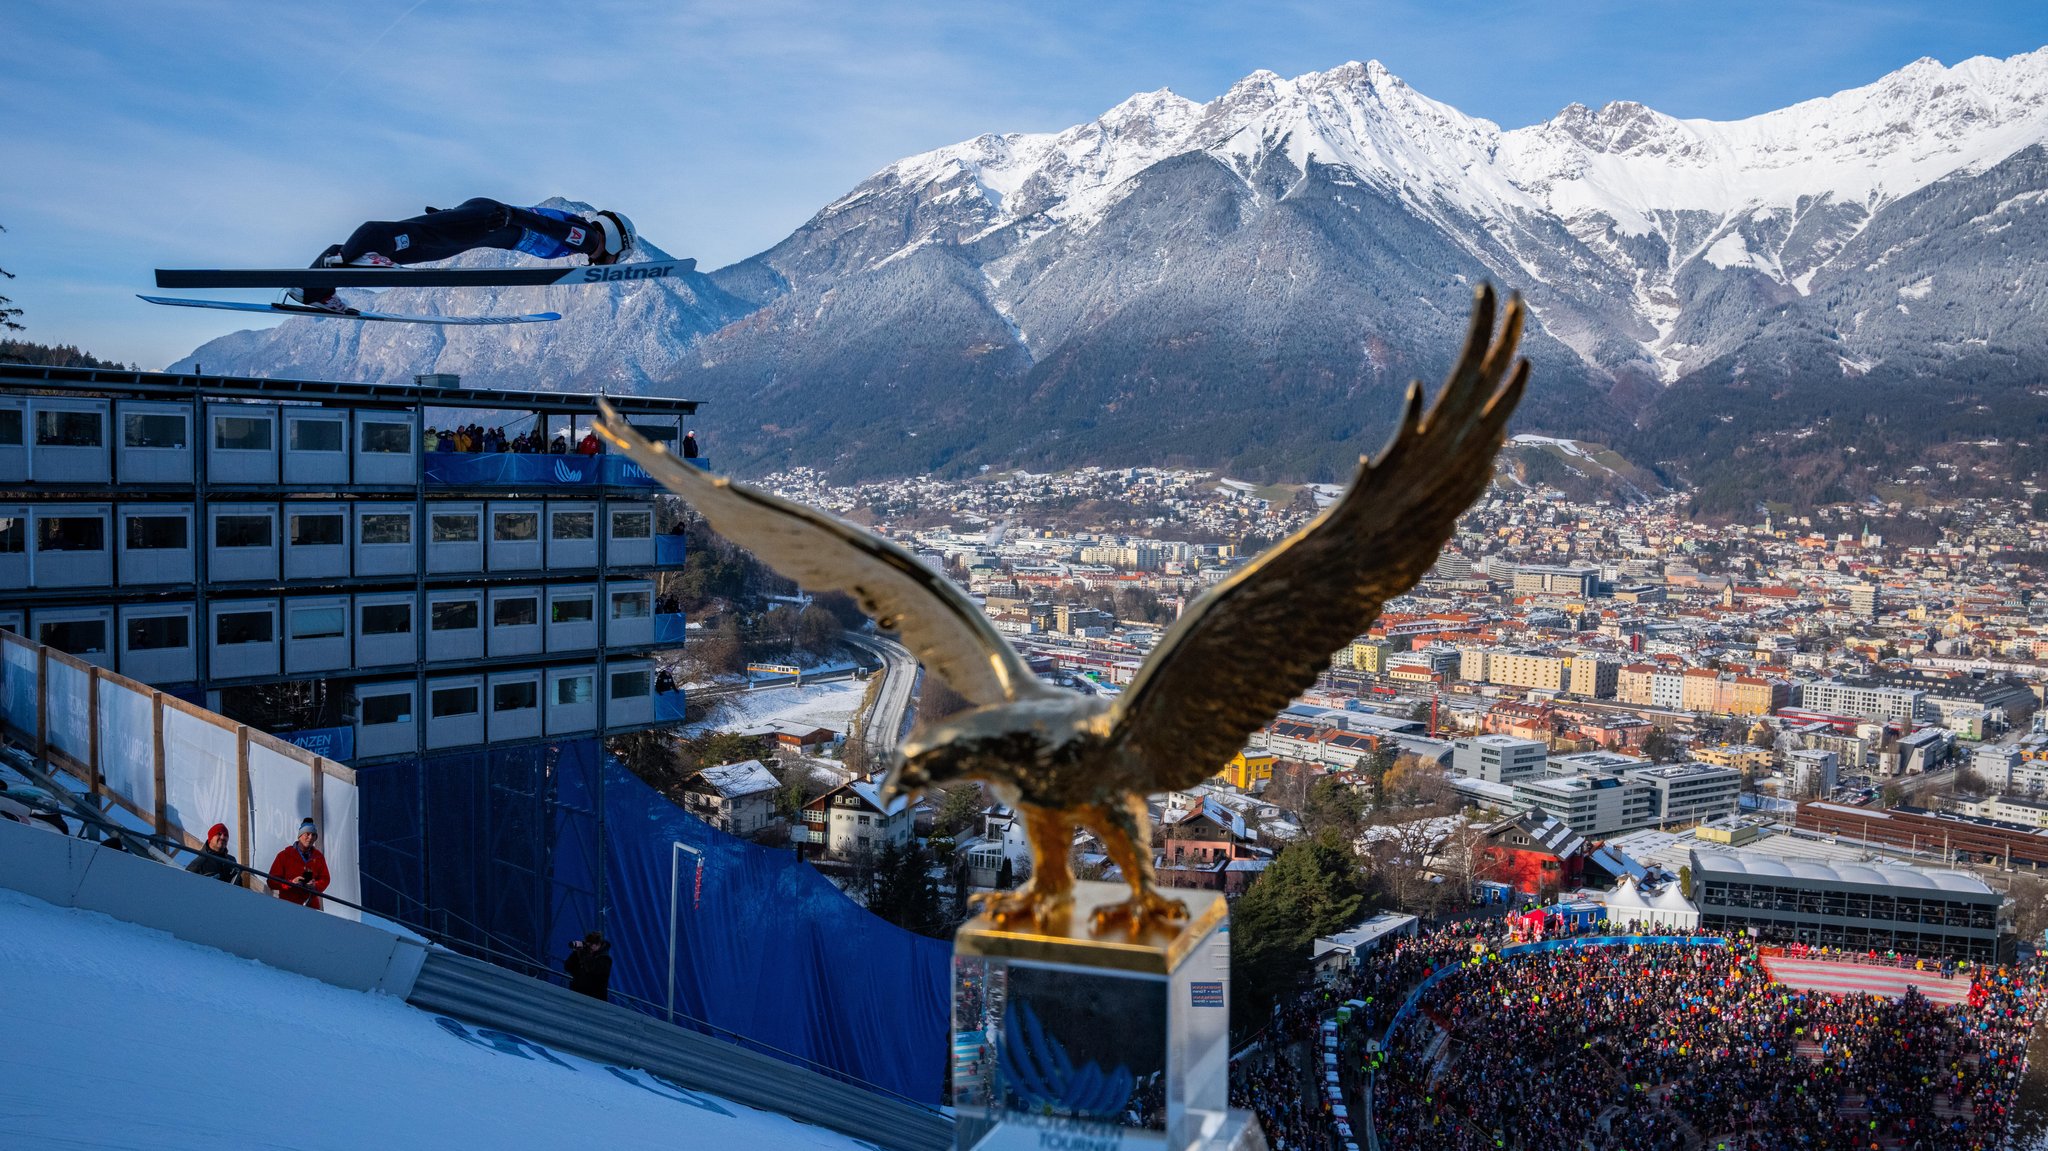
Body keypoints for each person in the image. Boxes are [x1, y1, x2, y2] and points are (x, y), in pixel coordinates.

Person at [290, 198, 638, 312]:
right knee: (411, 238)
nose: (613, 262)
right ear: (614, 241)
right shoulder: (585, 237)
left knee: (421, 248)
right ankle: (347, 257)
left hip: (485, 227)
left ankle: (314, 288)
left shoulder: (582, 234)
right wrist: (512, 216)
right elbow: (549, 228)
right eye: (619, 256)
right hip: (491, 221)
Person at [267, 817, 331, 910]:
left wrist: (315, 885)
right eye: (307, 834)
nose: (310, 838)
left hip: (311, 907)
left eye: (313, 835)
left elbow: (325, 879)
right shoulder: (284, 855)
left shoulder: (318, 857)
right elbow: (271, 881)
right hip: (288, 907)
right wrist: (291, 883)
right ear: (300, 836)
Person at [565, 931, 612, 1001]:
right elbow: (568, 967)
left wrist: (584, 954)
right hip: (576, 994)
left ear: (598, 944)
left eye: (591, 945)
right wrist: (575, 953)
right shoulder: (585, 954)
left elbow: (591, 971)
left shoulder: (605, 959)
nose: (589, 948)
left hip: (594, 999)